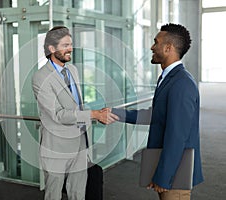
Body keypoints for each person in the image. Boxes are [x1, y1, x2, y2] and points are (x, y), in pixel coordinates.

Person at [111, 23, 204, 200]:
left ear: (168, 48)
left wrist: (164, 176)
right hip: (169, 169)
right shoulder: (168, 78)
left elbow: (177, 136)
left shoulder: (181, 83)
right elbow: (155, 115)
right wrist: (116, 113)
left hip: (175, 176)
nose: (152, 46)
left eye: (156, 42)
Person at [32, 26, 119, 200]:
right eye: (65, 45)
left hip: (80, 142)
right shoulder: (40, 77)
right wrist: (93, 115)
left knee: (78, 191)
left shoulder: (73, 70)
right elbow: (58, 114)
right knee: (53, 193)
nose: (70, 49)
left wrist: (96, 113)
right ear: (52, 49)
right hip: (56, 146)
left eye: (70, 44)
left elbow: (77, 105)